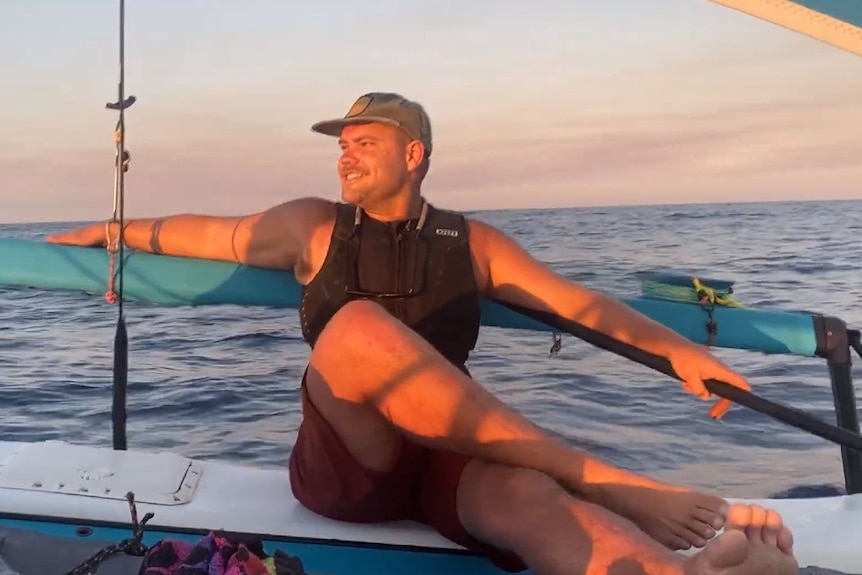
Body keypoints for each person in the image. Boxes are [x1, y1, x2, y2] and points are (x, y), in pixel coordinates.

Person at [48, 92, 798, 575]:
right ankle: (605, 478)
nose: (344, 151)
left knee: (528, 496)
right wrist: (114, 231)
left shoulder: (470, 244)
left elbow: (576, 302)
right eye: (340, 142)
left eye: (362, 141)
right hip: (349, 460)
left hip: (447, 460)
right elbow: (206, 234)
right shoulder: (311, 226)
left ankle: (684, 570)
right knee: (357, 326)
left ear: (414, 154)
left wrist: (681, 352)